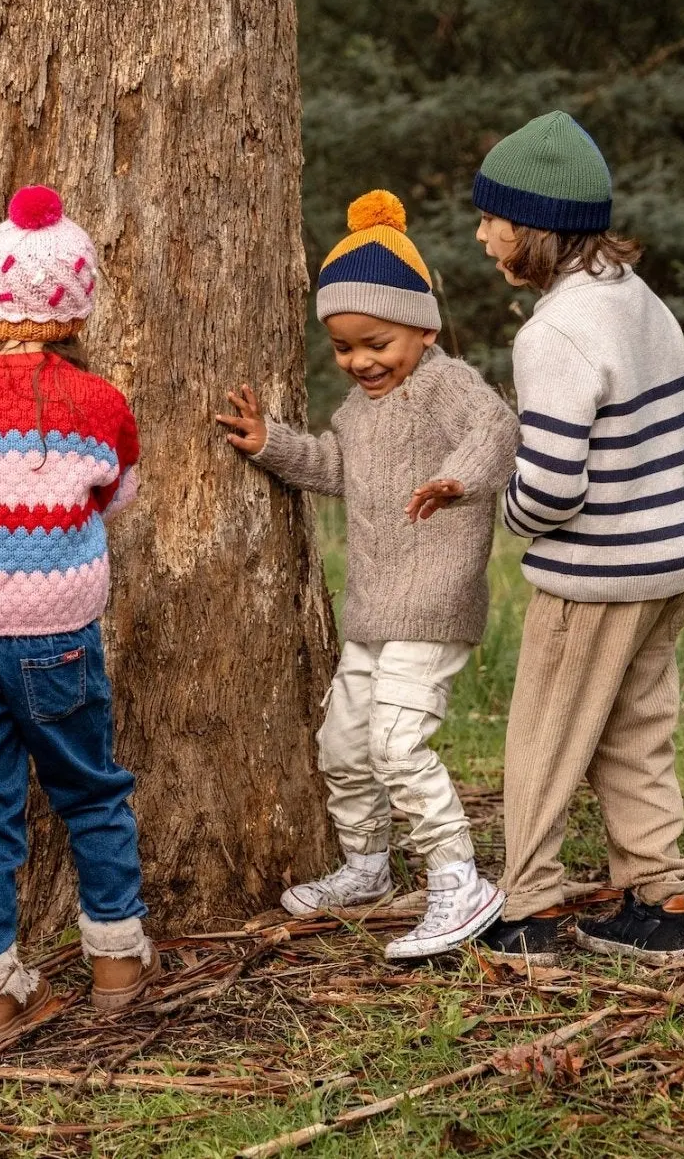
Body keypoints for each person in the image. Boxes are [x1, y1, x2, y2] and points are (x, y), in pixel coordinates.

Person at [216, 190, 517, 960]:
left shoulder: (445, 385)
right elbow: (332, 466)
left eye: (375, 341)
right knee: (343, 743)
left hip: (434, 599)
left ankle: (459, 876)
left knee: (396, 742)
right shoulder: (356, 409)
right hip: (374, 609)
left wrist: (457, 479)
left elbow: (497, 428)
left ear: (423, 325)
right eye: (344, 347)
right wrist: (270, 443)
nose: (360, 361)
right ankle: (367, 866)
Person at [0, 184, 157, 1049]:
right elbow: (117, 493)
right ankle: (118, 967)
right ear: (78, 300)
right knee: (91, 791)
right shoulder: (101, 403)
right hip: (56, 636)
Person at [469, 111, 684, 968]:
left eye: (492, 216)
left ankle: (528, 911)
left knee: (544, 735)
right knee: (635, 730)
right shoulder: (638, 301)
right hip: (670, 559)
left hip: (597, 574)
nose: (481, 231)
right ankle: (660, 898)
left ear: (534, 228)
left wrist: (504, 513)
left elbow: (554, 483)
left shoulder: (554, 332)